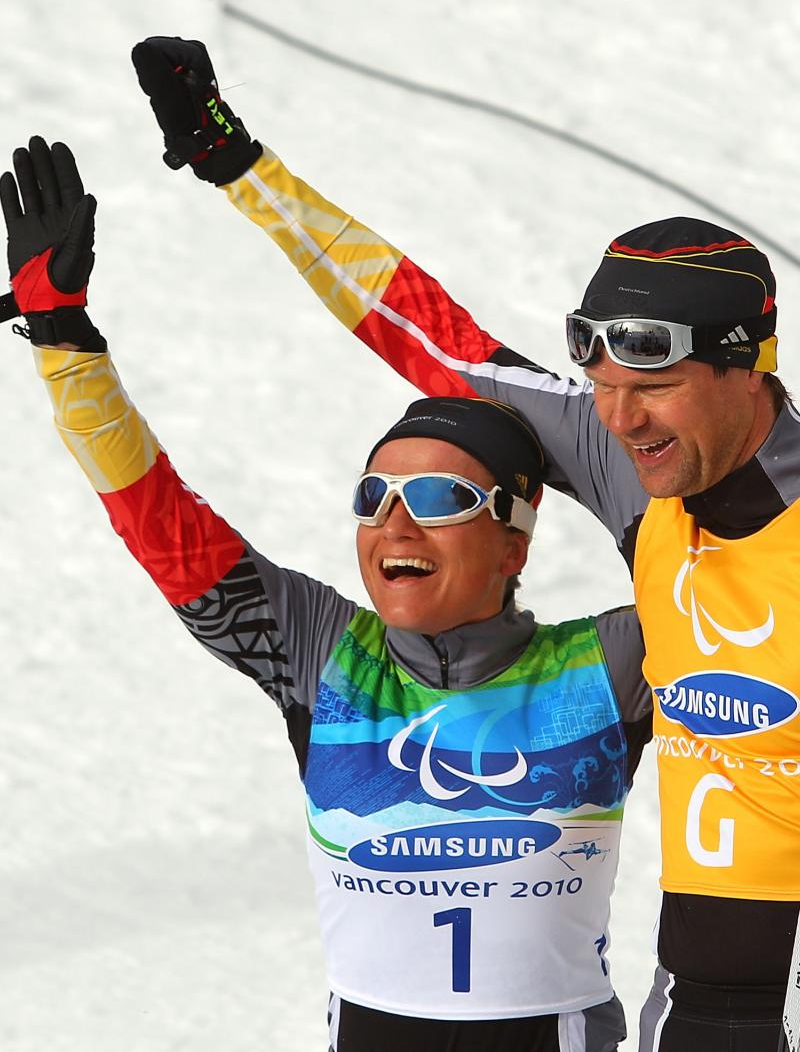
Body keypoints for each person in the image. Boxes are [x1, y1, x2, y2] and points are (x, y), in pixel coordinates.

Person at [127, 36, 800, 1051]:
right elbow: (427, 334)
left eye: (650, 387)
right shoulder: (647, 477)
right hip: (699, 1002)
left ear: (748, 366)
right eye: (602, 389)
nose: (616, 422)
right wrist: (242, 171)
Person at [1, 135, 652, 1052]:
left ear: (516, 539)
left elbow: (684, 530)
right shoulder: (324, 651)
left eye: (436, 498)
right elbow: (161, 519)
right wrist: (66, 343)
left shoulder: (614, 660)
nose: (395, 525)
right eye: (372, 498)